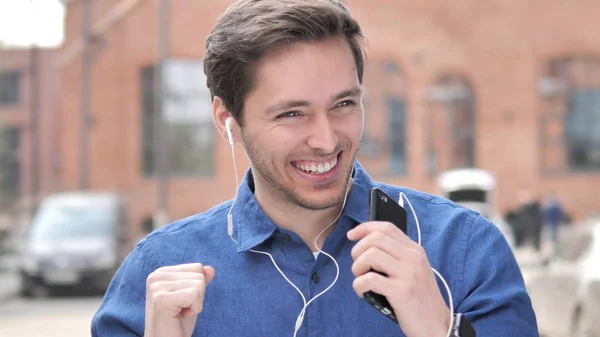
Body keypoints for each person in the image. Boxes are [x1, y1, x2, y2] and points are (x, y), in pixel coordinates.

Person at [91, 1, 538, 336]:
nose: (326, 139)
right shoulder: (158, 272)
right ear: (228, 120)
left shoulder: (464, 251)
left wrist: (442, 328)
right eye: (292, 114)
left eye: (344, 104)